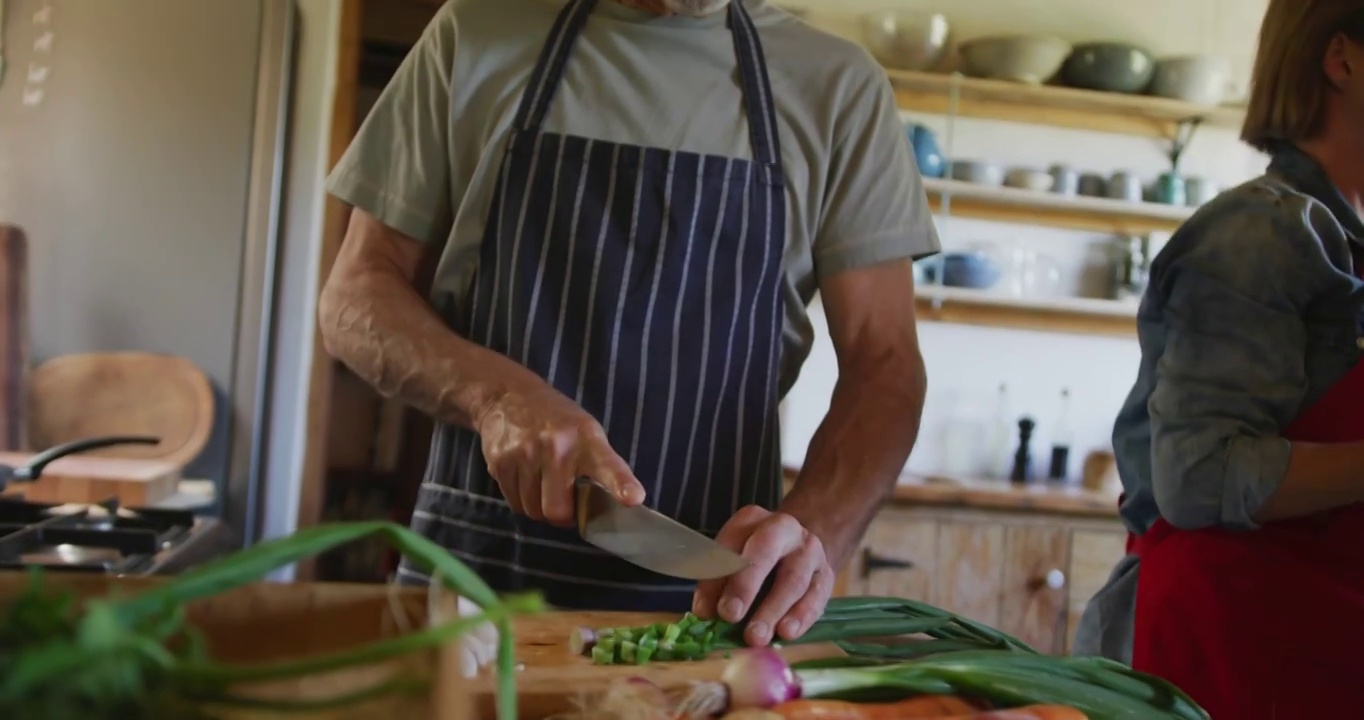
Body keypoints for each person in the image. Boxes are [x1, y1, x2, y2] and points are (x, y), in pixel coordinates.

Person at [318, 0, 936, 648]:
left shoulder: (838, 87)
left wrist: (813, 537)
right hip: (473, 604)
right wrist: (496, 396)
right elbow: (356, 296)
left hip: (708, 615)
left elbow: (884, 364)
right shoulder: (472, 36)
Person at [1072, 0, 1364, 715]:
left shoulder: (1347, 238)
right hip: (1226, 646)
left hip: (1316, 644)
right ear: (1343, 59)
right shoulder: (1262, 235)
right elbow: (1199, 476)